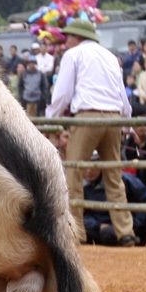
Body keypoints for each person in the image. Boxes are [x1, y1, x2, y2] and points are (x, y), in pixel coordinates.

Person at [47, 19, 136, 246]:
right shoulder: (109, 56)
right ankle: (125, 231)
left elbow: (63, 93)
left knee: (74, 174)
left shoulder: (73, 55)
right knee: (114, 177)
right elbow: (122, 95)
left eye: (69, 37)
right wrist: (126, 124)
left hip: (87, 116)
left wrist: (50, 118)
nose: (66, 41)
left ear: (77, 37)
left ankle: (76, 232)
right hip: (113, 117)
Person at [82, 152, 146, 246]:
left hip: (128, 229)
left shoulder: (124, 180)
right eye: (84, 166)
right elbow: (81, 214)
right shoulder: (81, 186)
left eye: (92, 166)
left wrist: (133, 225)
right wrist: (98, 226)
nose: (88, 171)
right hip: (99, 231)